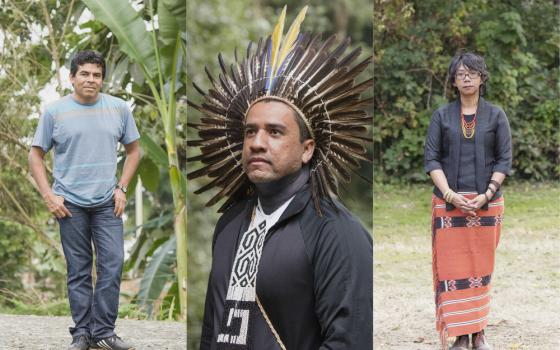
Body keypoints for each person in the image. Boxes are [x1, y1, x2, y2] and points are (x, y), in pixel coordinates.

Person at [188, 6, 373, 350]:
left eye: (274, 132)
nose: (257, 143)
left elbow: (348, 342)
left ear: (307, 149)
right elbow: (212, 333)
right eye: (250, 131)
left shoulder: (336, 232)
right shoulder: (229, 225)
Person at [28, 50, 140, 350]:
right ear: (72, 77)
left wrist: (122, 188)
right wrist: (48, 196)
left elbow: (133, 151)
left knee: (113, 264)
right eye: (85, 74)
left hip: (107, 202)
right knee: (78, 269)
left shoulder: (118, 108)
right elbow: (35, 155)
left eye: (97, 75)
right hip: (69, 204)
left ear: (103, 79)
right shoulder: (55, 112)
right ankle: (82, 333)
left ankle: (103, 332)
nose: (92, 80)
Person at [424, 51, 512, 350]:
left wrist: (487, 193)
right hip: (449, 206)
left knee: (480, 269)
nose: (466, 77)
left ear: (481, 77)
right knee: (455, 272)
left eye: (472, 72)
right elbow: (431, 158)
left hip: (486, 206)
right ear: (453, 80)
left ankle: (480, 333)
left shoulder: (496, 115)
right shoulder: (441, 115)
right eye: (460, 73)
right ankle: (461, 336)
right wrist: (449, 194)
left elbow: (504, 159)